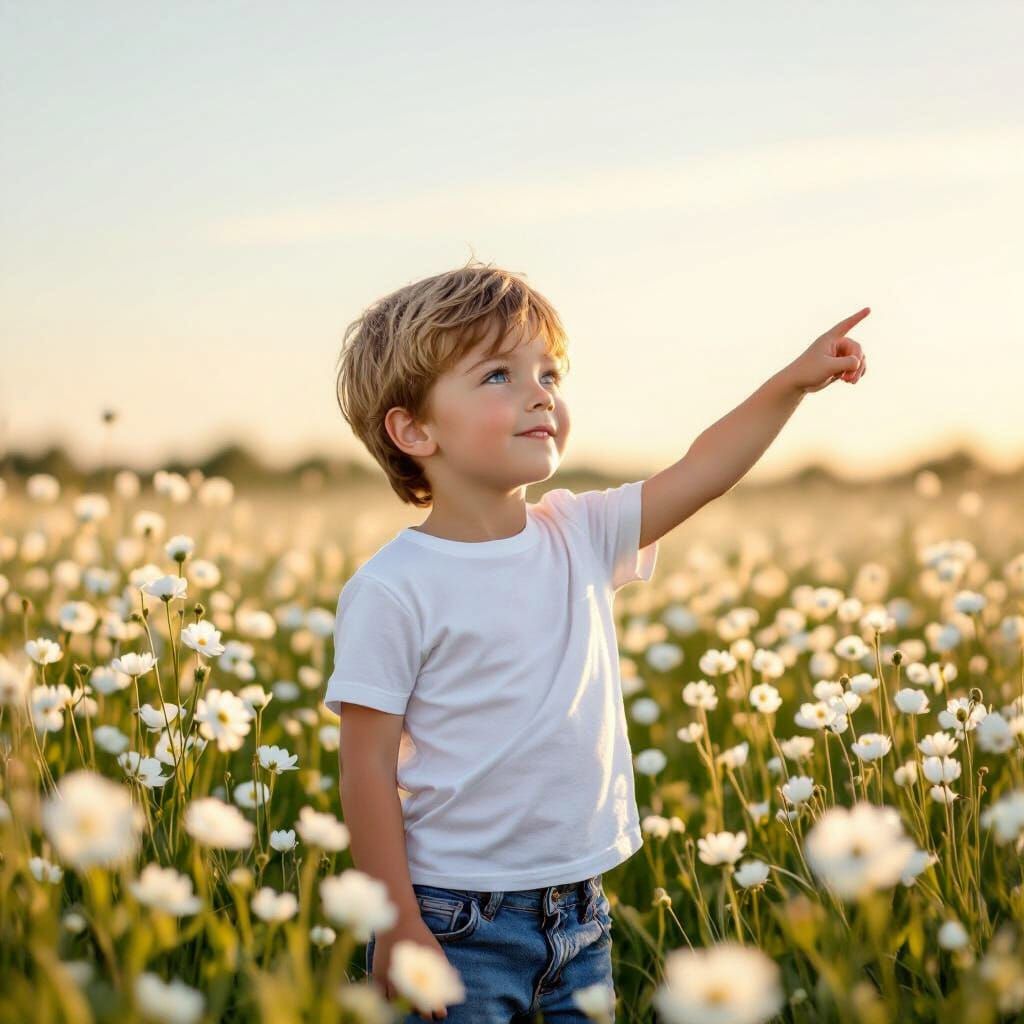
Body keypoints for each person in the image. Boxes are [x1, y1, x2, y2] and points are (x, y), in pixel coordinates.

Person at [325, 258, 869, 1022]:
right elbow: (366, 765)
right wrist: (396, 922)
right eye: (498, 377)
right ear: (412, 428)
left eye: (548, 373)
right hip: (453, 921)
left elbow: (704, 469)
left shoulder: (579, 534)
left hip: (582, 912)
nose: (539, 393)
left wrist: (792, 382)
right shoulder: (393, 587)